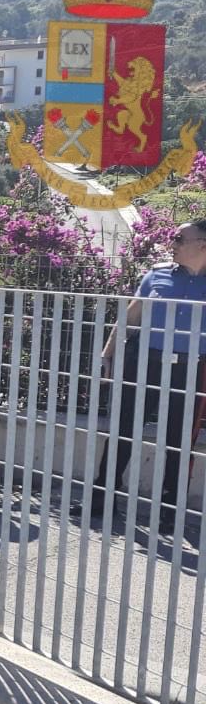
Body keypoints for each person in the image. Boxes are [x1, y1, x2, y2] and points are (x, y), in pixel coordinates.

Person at [88, 220, 206, 537]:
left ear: (202, 244)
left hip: (190, 369)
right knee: (123, 431)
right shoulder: (157, 274)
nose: (172, 243)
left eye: (179, 238)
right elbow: (130, 316)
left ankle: (169, 514)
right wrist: (107, 355)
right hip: (144, 362)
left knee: (179, 442)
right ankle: (101, 501)